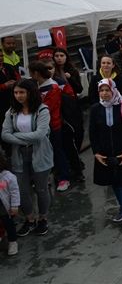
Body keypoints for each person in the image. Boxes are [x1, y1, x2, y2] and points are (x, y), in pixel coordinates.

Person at [2, 79, 53, 237]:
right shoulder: (11, 112)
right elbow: (4, 134)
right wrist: (25, 139)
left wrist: (16, 136)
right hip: (19, 155)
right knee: (22, 190)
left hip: (40, 154)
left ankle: (43, 218)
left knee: (41, 189)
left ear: (30, 93)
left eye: (22, 92)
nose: (19, 96)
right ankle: (30, 219)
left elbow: (39, 135)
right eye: (16, 92)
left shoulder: (42, 110)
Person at [89, 79, 122, 232]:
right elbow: (92, 133)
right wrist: (96, 152)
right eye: (101, 90)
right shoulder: (95, 109)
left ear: (113, 90)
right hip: (105, 154)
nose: (104, 93)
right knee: (114, 182)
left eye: (107, 90)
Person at [29, 61, 70, 192]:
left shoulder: (53, 87)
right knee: (42, 152)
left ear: (36, 73)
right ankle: (45, 177)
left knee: (57, 151)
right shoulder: (36, 85)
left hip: (53, 124)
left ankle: (64, 177)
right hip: (38, 126)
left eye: (31, 72)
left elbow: (48, 107)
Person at [0, 153, 20, 255]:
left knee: (9, 224)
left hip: (4, 207)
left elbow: (14, 192)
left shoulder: (8, 176)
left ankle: (12, 242)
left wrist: (14, 206)